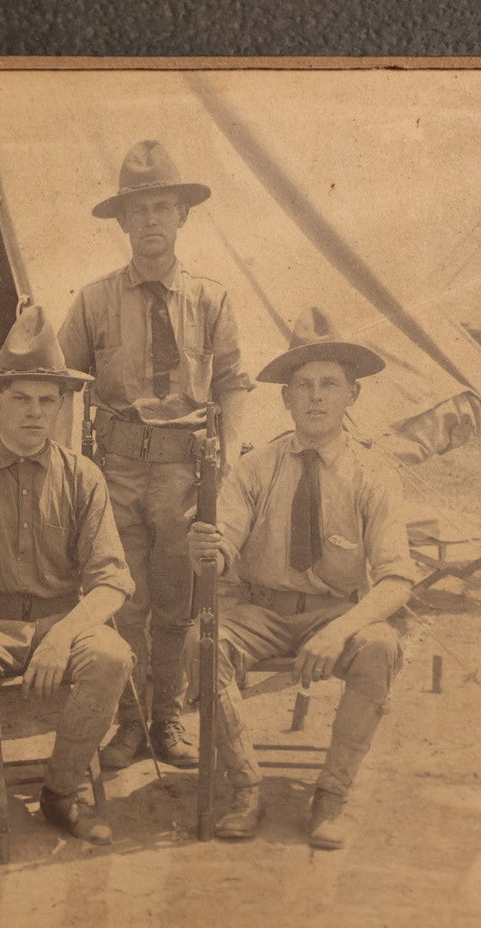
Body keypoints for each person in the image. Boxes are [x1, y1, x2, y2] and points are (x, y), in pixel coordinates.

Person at [186, 309, 416, 849]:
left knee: (380, 645)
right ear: (285, 399)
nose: (316, 397)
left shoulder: (373, 472)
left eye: (329, 385)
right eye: (303, 386)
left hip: (338, 612)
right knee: (202, 642)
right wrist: (209, 552)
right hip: (260, 613)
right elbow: (224, 542)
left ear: (351, 395)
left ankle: (331, 795)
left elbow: (396, 579)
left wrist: (340, 631)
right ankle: (246, 787)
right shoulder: (255, 468)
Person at [60, 140, 252, 770]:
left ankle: (166, 720)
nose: (150, 222)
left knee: (175, 602)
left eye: (161, 207)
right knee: (124, 598)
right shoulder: (93, 301)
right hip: (114, 470)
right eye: (137, 210)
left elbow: (231, 382)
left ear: (182, 216)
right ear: (122, 221)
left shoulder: (210, 300)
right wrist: (70, 470)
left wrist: (228, 451)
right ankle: (129, 724)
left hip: (184, 474)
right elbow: (63, 383)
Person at [0, 306, 135, 857]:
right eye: (21, 398)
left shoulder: (82, 475)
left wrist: (64, 635)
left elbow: (112, 583)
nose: (35, 413)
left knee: (110, 656)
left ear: (62, 404)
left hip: (60, 618)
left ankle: (61, 791)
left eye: (47, 400)